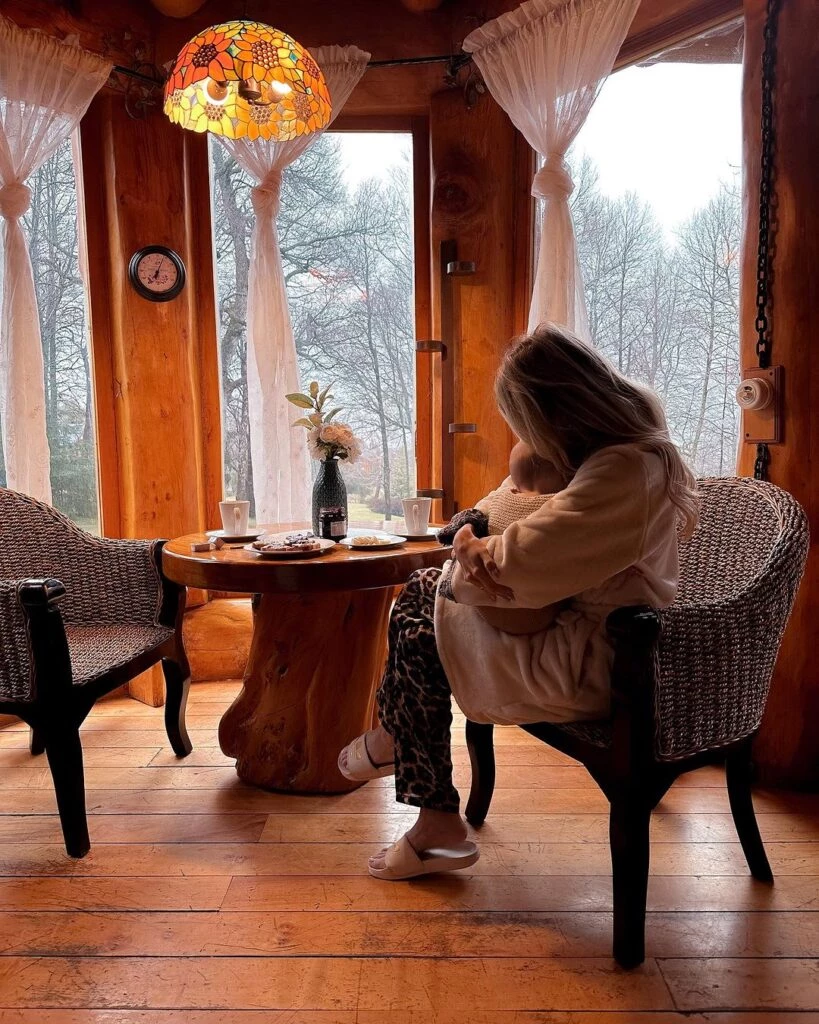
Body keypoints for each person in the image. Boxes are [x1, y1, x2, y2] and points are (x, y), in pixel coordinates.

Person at [338, 322, 698, 882]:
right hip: (583, 636)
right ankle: (416, 779)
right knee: (421, 603)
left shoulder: (626, 469)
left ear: (555, 413)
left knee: (417, 603)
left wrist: (467, 555)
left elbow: (514, 566)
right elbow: (493, 521)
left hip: (597, 661)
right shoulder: (620, 455)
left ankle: (410, 767)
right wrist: (465, 539)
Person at [436, 440, 570, 635]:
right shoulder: (560, 504)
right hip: (542, 615)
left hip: (488, 606)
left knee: (423, 582)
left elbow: (481, 509)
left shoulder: (501, 499)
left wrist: (464, 531)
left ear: (515, 484)